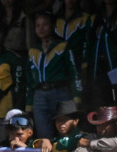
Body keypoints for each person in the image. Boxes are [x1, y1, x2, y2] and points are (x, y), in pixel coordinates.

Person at [26, 12, 81, 141]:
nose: (41, 28)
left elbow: (74, 72)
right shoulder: (33, 50)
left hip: (61, 92)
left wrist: (77, 96)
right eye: (38, 25)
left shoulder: (63, 45)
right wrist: (29, 104)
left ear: (53, 26)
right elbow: (29, 80)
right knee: (44, 136)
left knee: (66, 133)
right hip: (39, 95)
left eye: (45, 24)